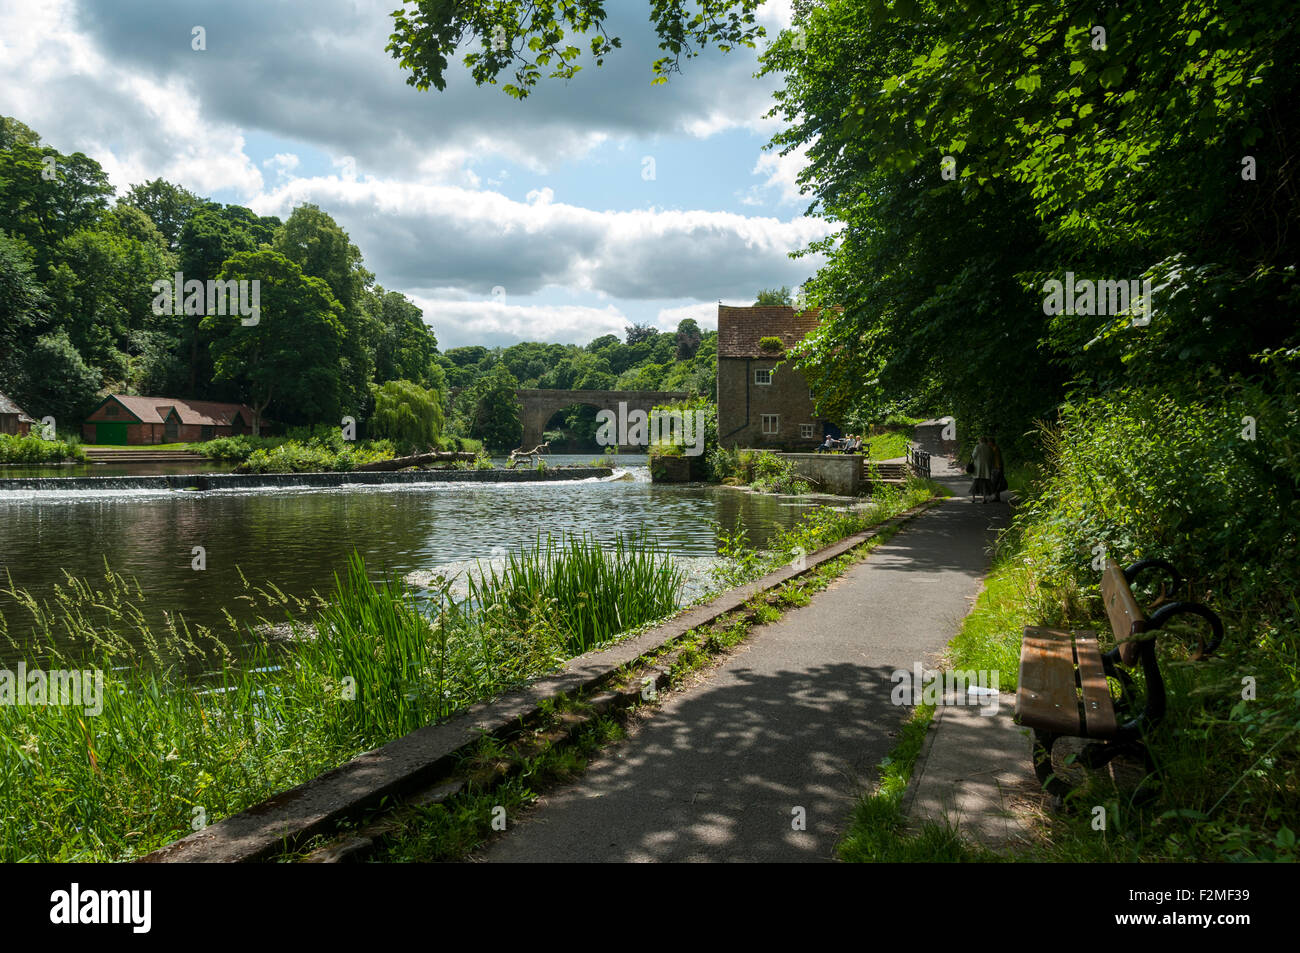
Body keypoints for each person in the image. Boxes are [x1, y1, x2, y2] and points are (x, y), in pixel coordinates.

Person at [969, 436, 994, 503]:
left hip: (978, 468)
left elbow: (973, 456)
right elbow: (992, 458)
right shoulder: (989, 448)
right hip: (986, 468)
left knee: (975, 483)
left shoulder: (977, 447)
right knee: (984, 484)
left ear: (980, 441)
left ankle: (973, 499)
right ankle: (984, 498)